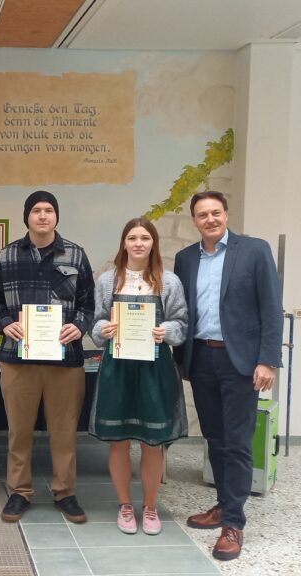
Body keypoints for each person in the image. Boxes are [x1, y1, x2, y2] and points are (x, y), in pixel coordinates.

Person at [174, 191, 283, 561]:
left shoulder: (254, 250)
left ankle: (233, 524)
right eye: (202, 214)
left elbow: (271, 306)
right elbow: (182, 312)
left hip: (241, 363)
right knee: (215, 439)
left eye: (215, 212)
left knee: (237, 443)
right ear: (194, 220)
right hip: (201, 359)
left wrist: (267, 360)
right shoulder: (186, 258)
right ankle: (223, 504)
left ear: (226, 214)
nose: (210, 219)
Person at [0, 190, 94, 524]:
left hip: (65, 360)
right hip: (19, 359)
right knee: (18, 431)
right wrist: (5, 324)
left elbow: (88, 304)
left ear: (56, 216)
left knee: (64, 431)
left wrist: (79, 326)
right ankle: (19, 492)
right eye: (36, 210)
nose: (43, 216)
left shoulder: (76, 255)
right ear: (27, 217)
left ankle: (65, 492)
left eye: (49, 210)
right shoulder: (7, 256)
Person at [89, 217, 188, 535]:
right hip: (117, 368)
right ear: (124, 243)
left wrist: (166, 330)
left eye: (145, 237)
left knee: (152, 443)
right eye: (132, 237)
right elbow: (96, 323)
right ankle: (124, 506)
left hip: (154, 369)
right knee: (118, 443)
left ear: (153, 243)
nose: (138, 243)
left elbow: (181, 324)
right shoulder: (108, 280)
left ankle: (149, 507)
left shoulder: (169, 281)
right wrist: (102, 330)